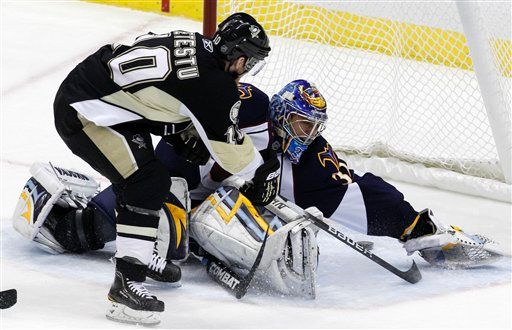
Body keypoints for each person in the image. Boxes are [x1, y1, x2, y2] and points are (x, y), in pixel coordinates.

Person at [13, 81, 502, 299]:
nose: (304, 134)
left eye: (312, 128)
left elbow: (356, 192)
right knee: (97, 224)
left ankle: (197, 244)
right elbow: (208, 105)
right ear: (278, 113)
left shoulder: (309, 159)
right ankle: (80, 218)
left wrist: (415, 227)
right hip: (172, 172)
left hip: (216, 205)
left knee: (204, 238)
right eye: (297, 122)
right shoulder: (248, 107)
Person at [48, 12, 280, 325]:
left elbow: (158, 85)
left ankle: (140, 254)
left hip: (99, 90)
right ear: (239, 59)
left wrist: (176, 129)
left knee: (143, 177)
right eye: (249, 63)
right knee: (145, 182)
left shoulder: (196, 42)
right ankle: (126, 287)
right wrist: (262, 170)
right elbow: (233, 157)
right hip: (86, 111)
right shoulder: (216, 87)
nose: (246, 71)